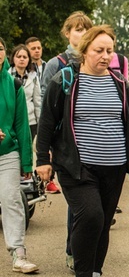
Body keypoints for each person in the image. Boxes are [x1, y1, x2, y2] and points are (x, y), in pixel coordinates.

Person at [36, 25, 129, 277]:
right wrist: (41, 160)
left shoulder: (120, 83)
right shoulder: (65, 79)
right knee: (90, 216)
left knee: (103, 223)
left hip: (113, 166)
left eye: (109, 51)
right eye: (99, 50)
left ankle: (96, 274)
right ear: (84, 51)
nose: (105, 56)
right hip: (76, 166)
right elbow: (47, 122)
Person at [41, 11, 92, 195]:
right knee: (75, 190)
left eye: (87, 29)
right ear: (67, 33)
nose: (84, 33)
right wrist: (46, 146)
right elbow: (44, 105)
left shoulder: (97, 62)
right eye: (78, 30)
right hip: (64, 137)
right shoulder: (56, 64)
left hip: (90, 137)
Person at [0, 37, 39, 274]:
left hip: (7, 153)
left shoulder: (14, 84)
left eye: (0, 49)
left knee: (11, 200)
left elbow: (22, 125)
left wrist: (26, 161)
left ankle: (18, 253)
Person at [9, 45, 42, 142]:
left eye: (25, 57)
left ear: (29, 60)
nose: (22, 59)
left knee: (27, 151)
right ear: (13, 59)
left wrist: (40, 123)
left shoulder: (34, 77)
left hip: (30, 121)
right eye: (19, 57)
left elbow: (37, 102)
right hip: (12, 121)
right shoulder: (6, 76)